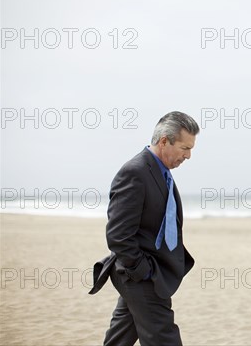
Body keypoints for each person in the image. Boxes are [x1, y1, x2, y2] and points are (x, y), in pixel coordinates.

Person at [89, 111, 199, 346]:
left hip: (147, 273)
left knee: (119, 339)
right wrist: (142, 272)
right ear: (164, 141)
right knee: (164, 339)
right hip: (141, 276)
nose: (188, 156)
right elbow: (118, 234)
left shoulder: (161, 172)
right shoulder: (136, 172)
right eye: (184, 148)